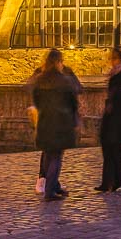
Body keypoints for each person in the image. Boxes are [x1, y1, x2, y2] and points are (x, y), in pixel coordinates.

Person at [30, 49, 80, 201]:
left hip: (45, 121)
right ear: (58, 62)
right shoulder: (65, 81)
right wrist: (74, 120)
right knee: (56, 157)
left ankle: (53, 186)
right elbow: (73, 102)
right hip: (60, 122)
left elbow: (36, 101)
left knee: (48, 155)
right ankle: (50, 191)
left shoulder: (40, 80)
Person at [97, 47, 121, 193]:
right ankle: (116, 180)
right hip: (116, 117)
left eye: (113, 59)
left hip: (117, 118)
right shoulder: (120, 73)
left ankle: (112, 182)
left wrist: (111, 104)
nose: (111, 62)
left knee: (111, 147)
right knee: (113, 149)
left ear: (119, 59)